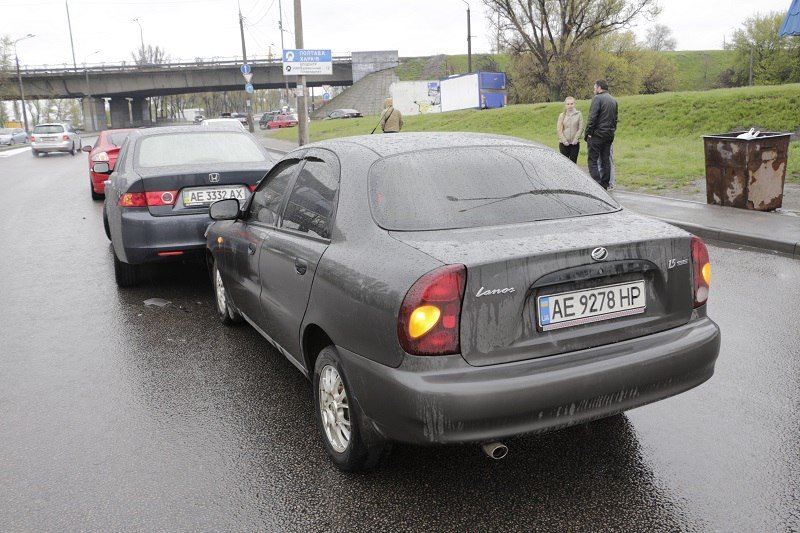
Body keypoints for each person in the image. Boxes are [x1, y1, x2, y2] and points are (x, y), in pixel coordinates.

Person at [585, 79, 618, 190]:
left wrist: (589, 133)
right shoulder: (613, 100)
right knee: (605, 160)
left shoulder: (597, 98)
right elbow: (615, 119)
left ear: (599, 88)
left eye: (595, 87)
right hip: (608, 135)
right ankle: (605, 184)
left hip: (597, 135)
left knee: (592, 160)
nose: (594, 90)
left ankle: (596, 185)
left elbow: (592, 117)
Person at [556, 96, 584, 164]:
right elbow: (559, 130)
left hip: (574, 144)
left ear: (574, 104)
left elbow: (581, 128)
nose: (570, 106)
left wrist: (576, 139)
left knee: (573, 164)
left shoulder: (579, 114)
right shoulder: (562, 115)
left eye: (571, 104)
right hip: (564, 144)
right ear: (565, 105)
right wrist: (564, 141)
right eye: (568, 104)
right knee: (564, 164)